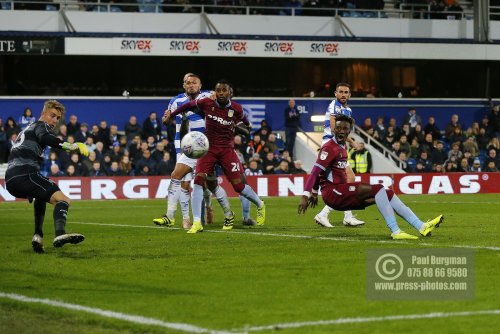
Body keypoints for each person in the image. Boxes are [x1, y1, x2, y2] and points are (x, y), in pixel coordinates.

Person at [298, 115, 444, 240]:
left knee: (387, 193)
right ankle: (396, 231)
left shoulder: (343, 147)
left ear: (349, 131)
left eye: (345, 129)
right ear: (334, 129)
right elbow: (315, 172)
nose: (342, 131)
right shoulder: (329, 148)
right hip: (334, 193)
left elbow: (323, 173)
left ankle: (421, 226)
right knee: (378, 189)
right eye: (339, 128)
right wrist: (306, 195)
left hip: (341, 192)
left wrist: (315, 193)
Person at [163, 79, 266, 233]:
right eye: (218, 90)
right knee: (198, 180)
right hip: (208, 149)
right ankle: (197, 222)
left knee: (238, 186)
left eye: (224, 90)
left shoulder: (237, 108)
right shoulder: (206, 103)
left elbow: (245, 121)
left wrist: (247, 127)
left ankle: (260, 205)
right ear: (215, 92)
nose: (221, 93)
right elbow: (188, 105)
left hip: (227, 151)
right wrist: (172, 114)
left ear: (230, 92)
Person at [5, 100, 89, 253]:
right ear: (43, 114)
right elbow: (46, 138)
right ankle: (60, 234)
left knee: (41, 197)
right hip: (25, 174)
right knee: (63, 200)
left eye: (57, 118)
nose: (55, 121)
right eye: (52, 116)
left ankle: (38, 236)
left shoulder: (26, 129)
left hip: (10, 179)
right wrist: (70, 146)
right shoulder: (40, 126)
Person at [152, 73, 216, 229]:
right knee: (183, 182)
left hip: (205, 146)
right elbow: (166, 121)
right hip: (184, 146)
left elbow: (221, 101)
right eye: (187, 82)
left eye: (194, 82)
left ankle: (208, 205)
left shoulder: (208, 96)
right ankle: (179, 218)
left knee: (205, 183)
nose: (190, 84)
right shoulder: (175, 101)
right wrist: (165, 118)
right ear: (183, 85)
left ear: (200, 85)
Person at [314, 82, 366, 228]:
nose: (343, 94)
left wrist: (349, 141)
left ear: (349, 95)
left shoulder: (348, 110)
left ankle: (342, 216)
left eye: (346, 92)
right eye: (341, 92)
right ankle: (326, 215)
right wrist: (353, 142)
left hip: (339, 147)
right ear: (335, 93)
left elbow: (344, 130)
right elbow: (333, 128)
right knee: (344, 180)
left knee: (348, 179)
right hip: (331, 146)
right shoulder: (334, 106)